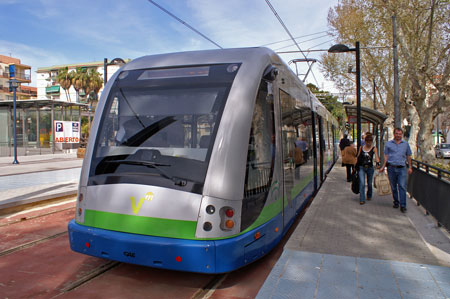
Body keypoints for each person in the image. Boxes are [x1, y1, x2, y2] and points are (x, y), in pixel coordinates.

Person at [379, 128, 413, 213]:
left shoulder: (405, 144)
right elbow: (386, 156)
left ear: (402, 134)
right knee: (393, 186)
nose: (398, 135)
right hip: (391, 168)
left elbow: (409, 156)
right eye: (397, 133)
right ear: (394, 134)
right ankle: (396, 202)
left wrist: (410, 167)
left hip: (402, 168)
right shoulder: (388, 144)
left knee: (402, 186)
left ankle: (403, 205)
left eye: (400, 134)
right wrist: (383, 166)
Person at [355, 133, 380, 205]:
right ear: (365, 141)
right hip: (361, 167)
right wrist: (355, 166)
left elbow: (377, 157)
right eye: (367, 142)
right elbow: (358, 157)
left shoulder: (374, 148)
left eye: (370, 142)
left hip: (370, 168)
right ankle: (362, 199)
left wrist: (377, 162)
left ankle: (369, 195)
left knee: (369, 183)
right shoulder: (361, 148)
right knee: (362, 183)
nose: (368, 143)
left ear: (372, 142)